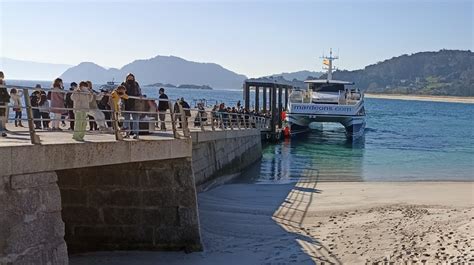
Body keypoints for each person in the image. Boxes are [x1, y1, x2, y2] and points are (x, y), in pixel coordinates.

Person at [121, 73, 141, 138]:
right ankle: (127, 134)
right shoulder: (123, 84)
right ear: (126, 78)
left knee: (135, 120)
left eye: (131, 77)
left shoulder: (136, 84)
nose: (130, 79)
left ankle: (136, 134)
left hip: (135, 104)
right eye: (129, 77)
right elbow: (119, 91)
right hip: (126, 104)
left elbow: (139, 92)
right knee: (126, 120)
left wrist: (140, 96)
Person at [0, 71, 10, 137]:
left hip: (2, 101)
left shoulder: (3, 82)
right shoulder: (3, 82)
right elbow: (5, 92)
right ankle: (2, 130)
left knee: (2, 116)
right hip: (2, 101)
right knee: (2, 116)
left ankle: (2, 129)